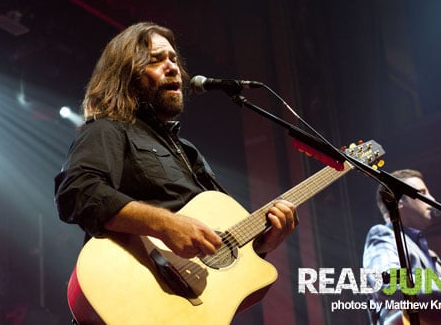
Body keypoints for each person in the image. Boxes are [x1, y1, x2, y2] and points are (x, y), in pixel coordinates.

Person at [54, 22, 297, 264]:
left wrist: (263, 244)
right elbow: (77, 192)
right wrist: (165, 224)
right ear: (126, 76)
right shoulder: (107, 129)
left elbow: (221, 244)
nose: (173, 67)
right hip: (139, 286)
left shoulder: (188, 152)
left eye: (173, 59)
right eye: (156, 60)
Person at [362, 169, 441, 324]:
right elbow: (386, 282)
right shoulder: (383, 235)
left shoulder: (429, 254)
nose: (432, 199)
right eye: (422, 193)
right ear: (399, 201)